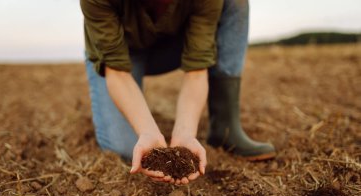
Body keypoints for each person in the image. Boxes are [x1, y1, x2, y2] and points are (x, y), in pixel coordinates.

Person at [80, 0, 276, 185]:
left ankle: (225, 129)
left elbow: (196, 73)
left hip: (174, 44)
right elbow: (118, 73)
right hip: (122, 52)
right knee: (123, 146)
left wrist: (185, 134)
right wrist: (147, 132)